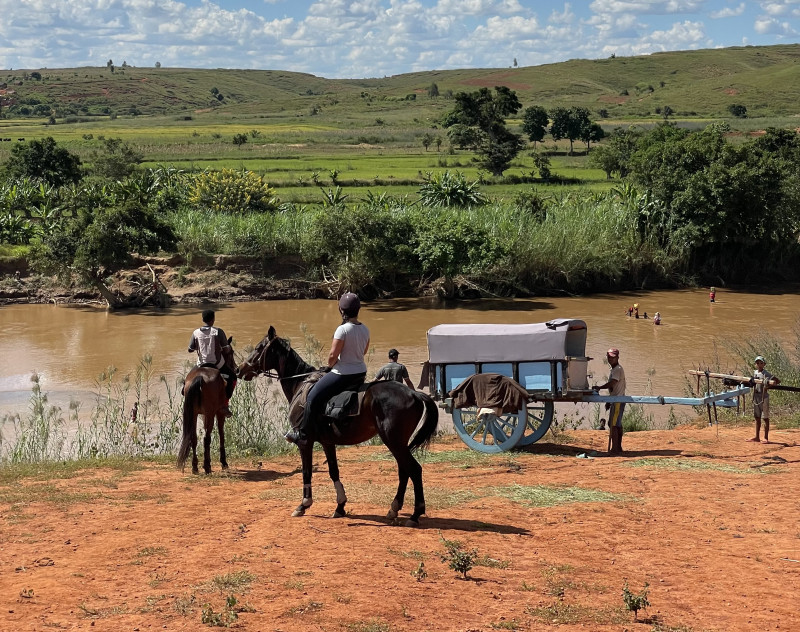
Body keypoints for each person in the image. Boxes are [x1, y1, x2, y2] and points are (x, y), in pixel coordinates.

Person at [285, 292, 370, 445]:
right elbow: (363, 352)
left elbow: (332, 357)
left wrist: (332, 364)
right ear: (358, 309)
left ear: (341, 310)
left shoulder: (342, 330)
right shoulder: (365, 329)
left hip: (343, 374)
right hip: (360, 373)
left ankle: (303, 433)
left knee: (312, 396)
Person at [188, 309, 237, 417]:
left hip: (201, 364)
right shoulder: (218, 331)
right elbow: (226, 350)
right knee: (233, 377)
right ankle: (224, 404)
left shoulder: (195, 332)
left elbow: (190, 349)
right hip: (217, 364)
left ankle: (185, 393)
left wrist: (198, 345)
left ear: (202, 319)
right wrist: (226, 348)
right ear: (213, 319)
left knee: (188, 379)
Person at [594, 348, 626, 454]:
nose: (610, 359)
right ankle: (618, 447)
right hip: (615, 399)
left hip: (618, 400)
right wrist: (609, 400)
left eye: (613, 357)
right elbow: (613, 388)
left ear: (617, 357)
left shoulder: (617, 369)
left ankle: (616, 449)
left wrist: (599, 387)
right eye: (609, 357)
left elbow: (612, 383)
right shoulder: (614, 369)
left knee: (613, 424)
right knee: (615, 423)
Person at [746, 355, 780, 443]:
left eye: (761, 363)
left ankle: (766, 438)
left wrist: (769, 384)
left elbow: (777, 381)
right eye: (757, 363)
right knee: (757, 417)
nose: (759, 365)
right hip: (756, 396)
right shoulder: (755, 373)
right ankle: (757, 437)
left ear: (764, 364)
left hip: (764, 397)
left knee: (765, 418)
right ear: (755, 364)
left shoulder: (766, 374)